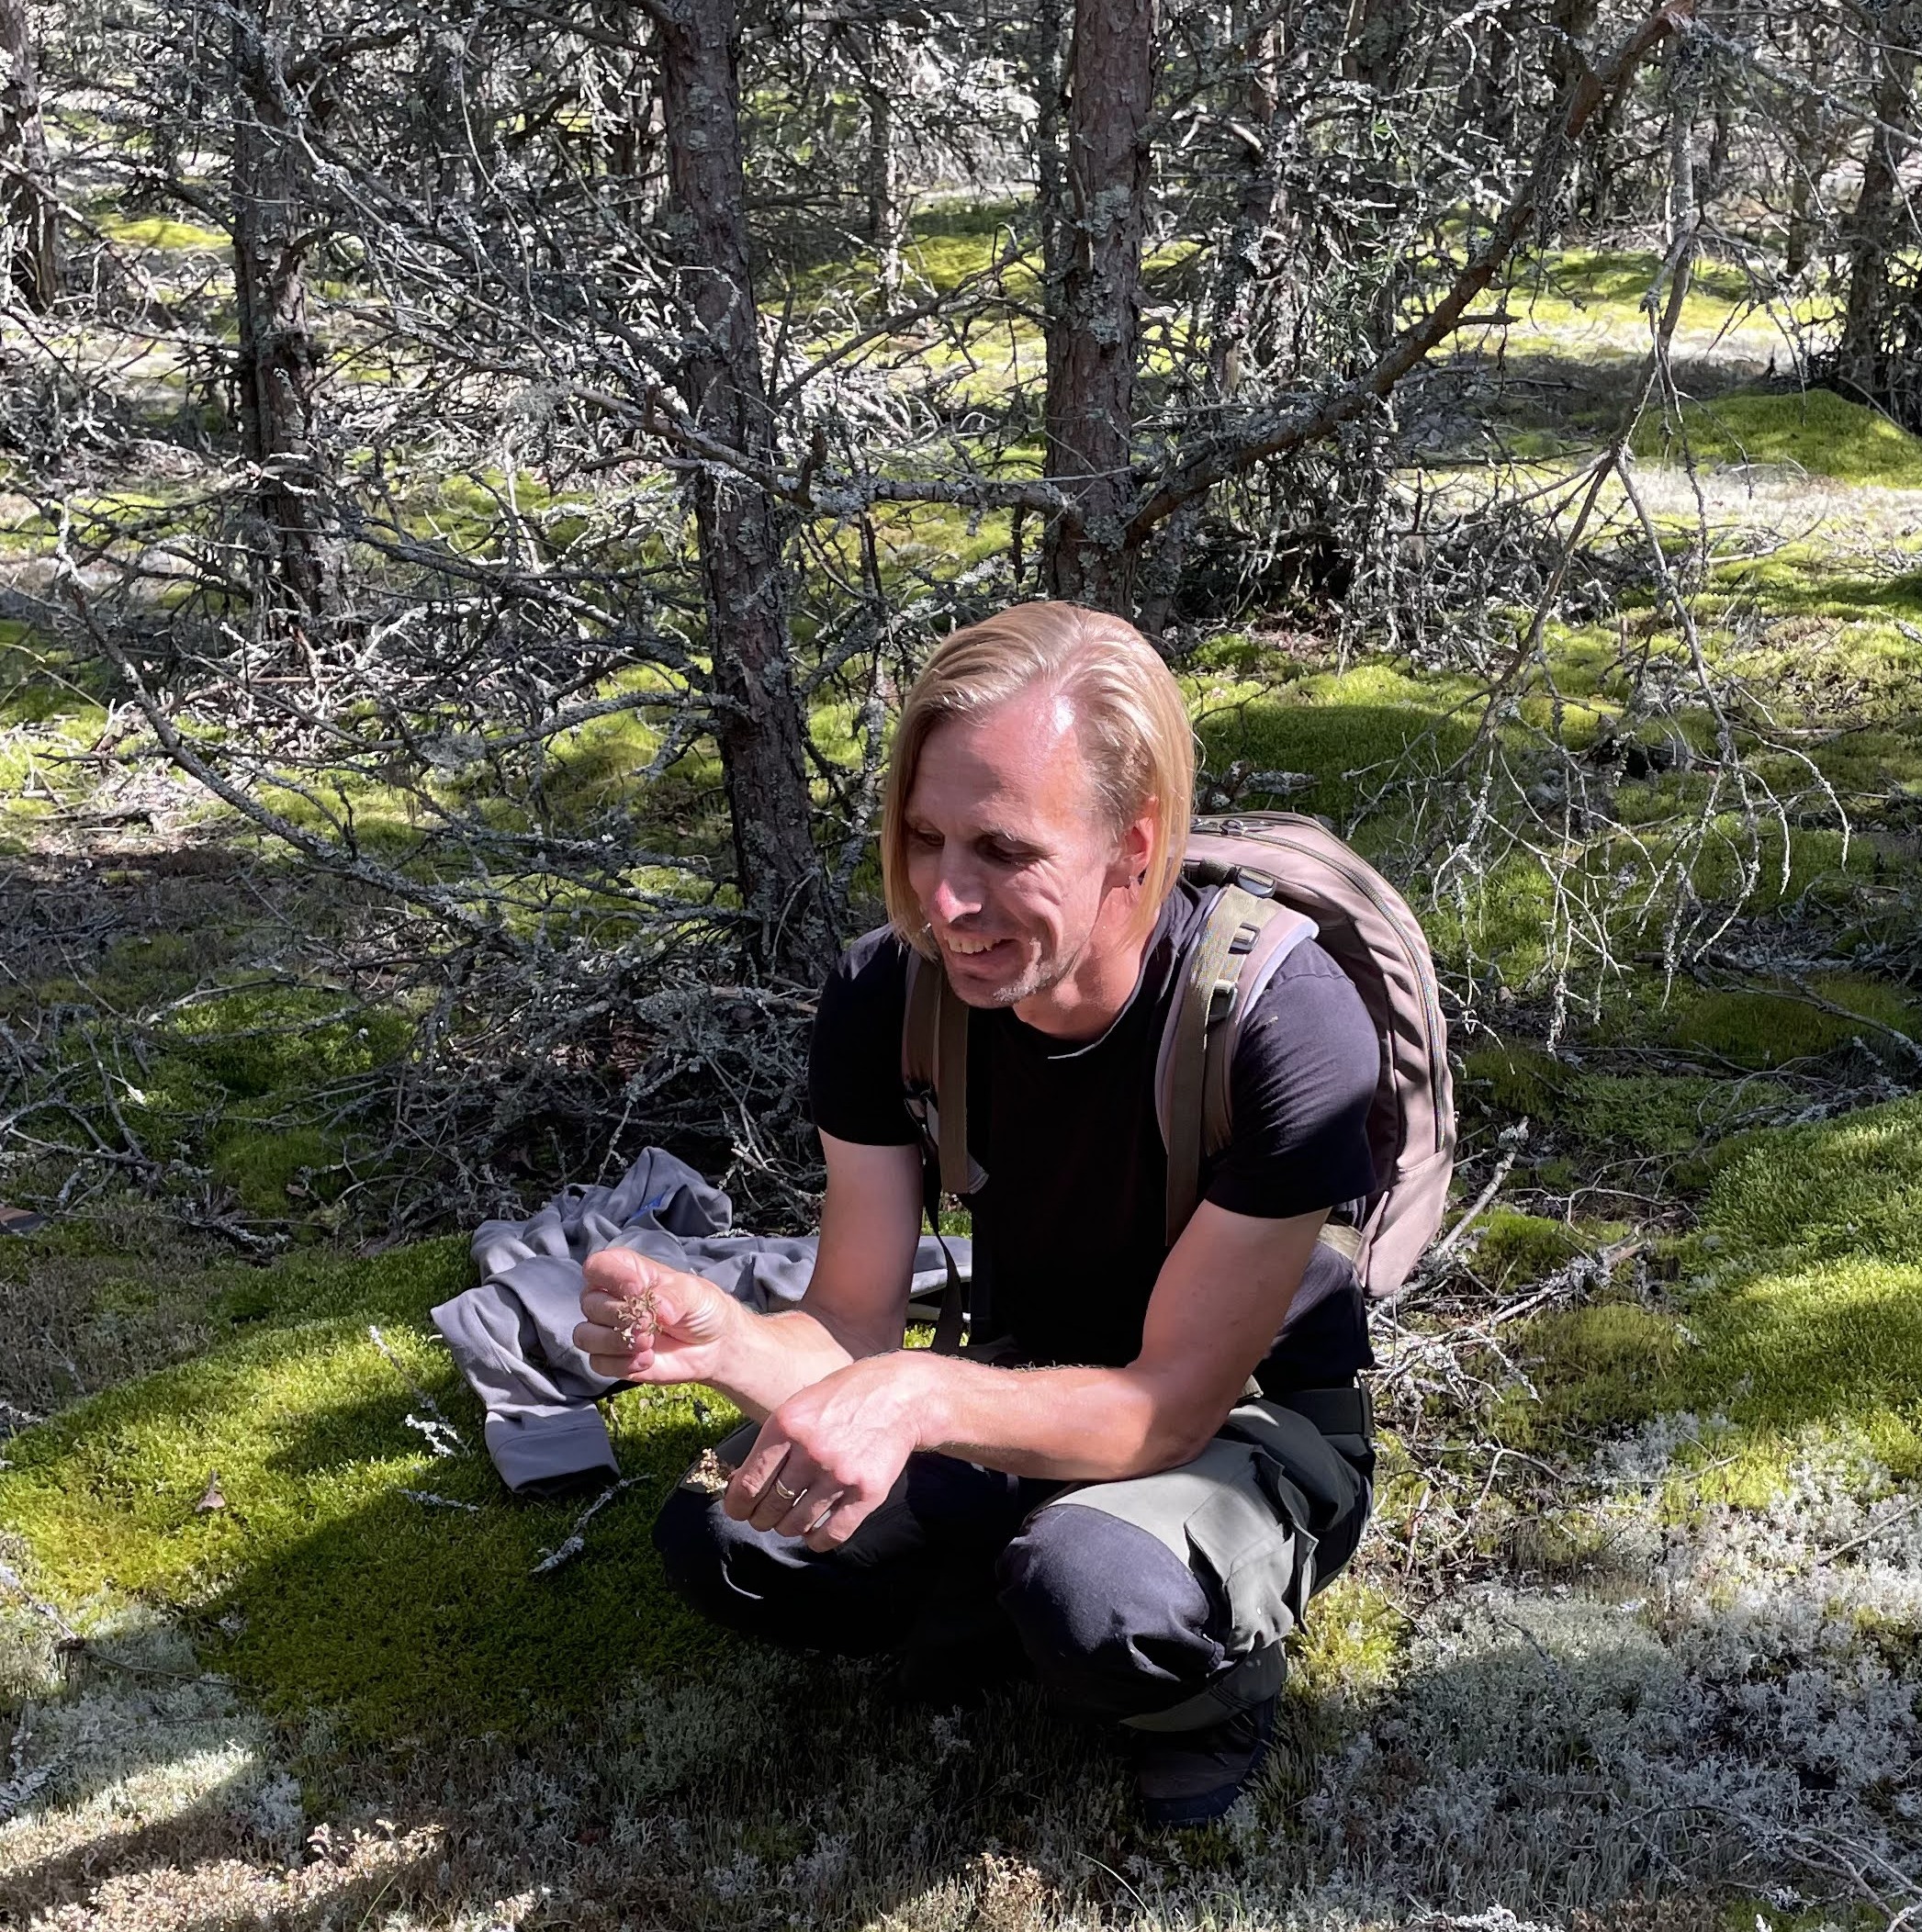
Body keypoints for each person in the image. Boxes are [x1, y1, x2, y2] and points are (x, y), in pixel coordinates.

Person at [574, 604, 1380, 1824]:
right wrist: (724, 1340)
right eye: (923, 838)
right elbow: (850, 1325)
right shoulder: (888, 996)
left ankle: (1205, 1683)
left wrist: (918, 1397)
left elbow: (1167, 1406)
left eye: (1003, 851)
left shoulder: (1284, 1027)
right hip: (1015, 1381)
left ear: (1132, 845)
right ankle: (1012, 1588)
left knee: (1092, 1593)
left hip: (1239, 1422)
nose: (947, 900)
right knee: (729, 1540)